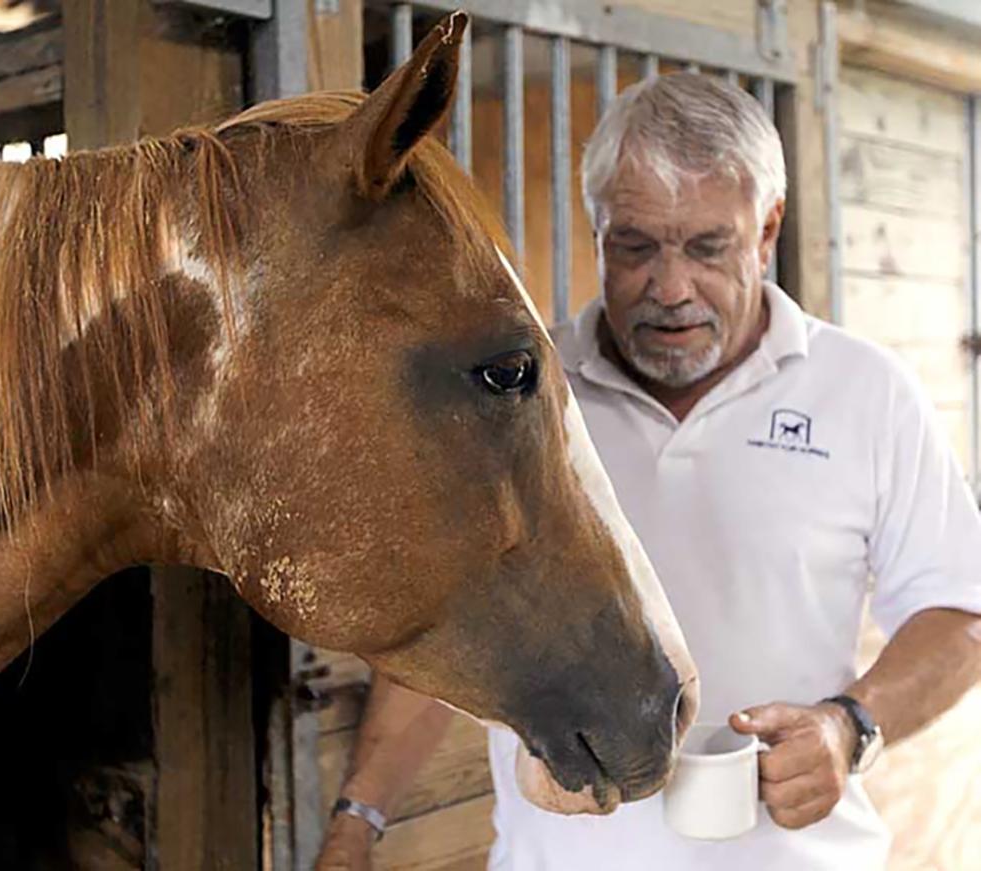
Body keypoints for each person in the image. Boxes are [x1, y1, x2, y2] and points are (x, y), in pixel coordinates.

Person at [315, 73, 981, 870]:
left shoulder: (866, 392)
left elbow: (961, 610)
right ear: (597, 230)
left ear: (766, 231)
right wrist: (358, 821)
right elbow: (446, 628)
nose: (669, 288)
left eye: (708, 247)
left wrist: (851, 725)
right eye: (634, 246)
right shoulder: (518, 395)